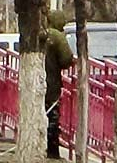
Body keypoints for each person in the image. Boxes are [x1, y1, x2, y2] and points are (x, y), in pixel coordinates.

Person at [46, 10, 74, 159]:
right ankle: (52, 152)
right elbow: (66, 59)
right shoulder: (57, 37)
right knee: (52, 117)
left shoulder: (38, 32)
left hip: (35, 83)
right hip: (51, 84)